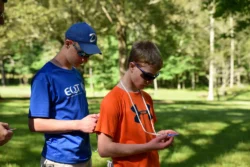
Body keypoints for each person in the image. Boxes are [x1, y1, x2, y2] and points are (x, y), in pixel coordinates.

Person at [28, 22, 101, 167]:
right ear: (68, 43)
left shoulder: (75, 73)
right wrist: (79, 124)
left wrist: (92, 120)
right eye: (82, 53)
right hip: (60, 159)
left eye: (89, 56)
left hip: (84, 155)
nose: (85, 60)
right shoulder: (45, 77)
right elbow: (35, 124)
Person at [95, 41, 178, 167]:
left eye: (154, 77)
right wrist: (147, 147)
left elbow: (144, 135)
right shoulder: (112, 101)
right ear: (132, 66)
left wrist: (159, 136)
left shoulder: (147, 98)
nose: (149, 81)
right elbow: (103, 148)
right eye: (147, 76)